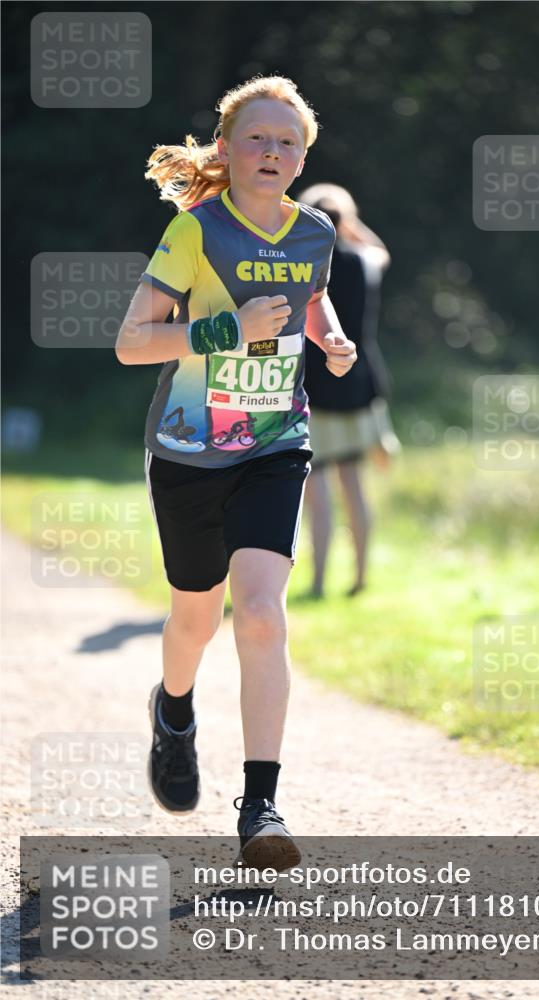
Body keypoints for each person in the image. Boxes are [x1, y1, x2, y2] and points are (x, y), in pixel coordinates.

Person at [115, 75, 357, 871]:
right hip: (188, 449)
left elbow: (312, 296)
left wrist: (330, 338)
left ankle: (261, 804)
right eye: (258, 137)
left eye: (288, 142)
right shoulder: (195, 231)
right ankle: (174, 711)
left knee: (258, 612)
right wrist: (228, 328)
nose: (273, 152)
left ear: (301, 157)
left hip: (274, 442)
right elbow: (133, 342)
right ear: (225, 148)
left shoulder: (314, 231)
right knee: (195, 617)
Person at [296, 183, 401, 598]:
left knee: (316, 491)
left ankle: (319, 582)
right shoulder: (364, 262)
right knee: (354, 486)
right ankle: (359, 578)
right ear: (346, 222)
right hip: (357, 386)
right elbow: (382, 250)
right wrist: (351, 221)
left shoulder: (300, 267)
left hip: (311, 388)